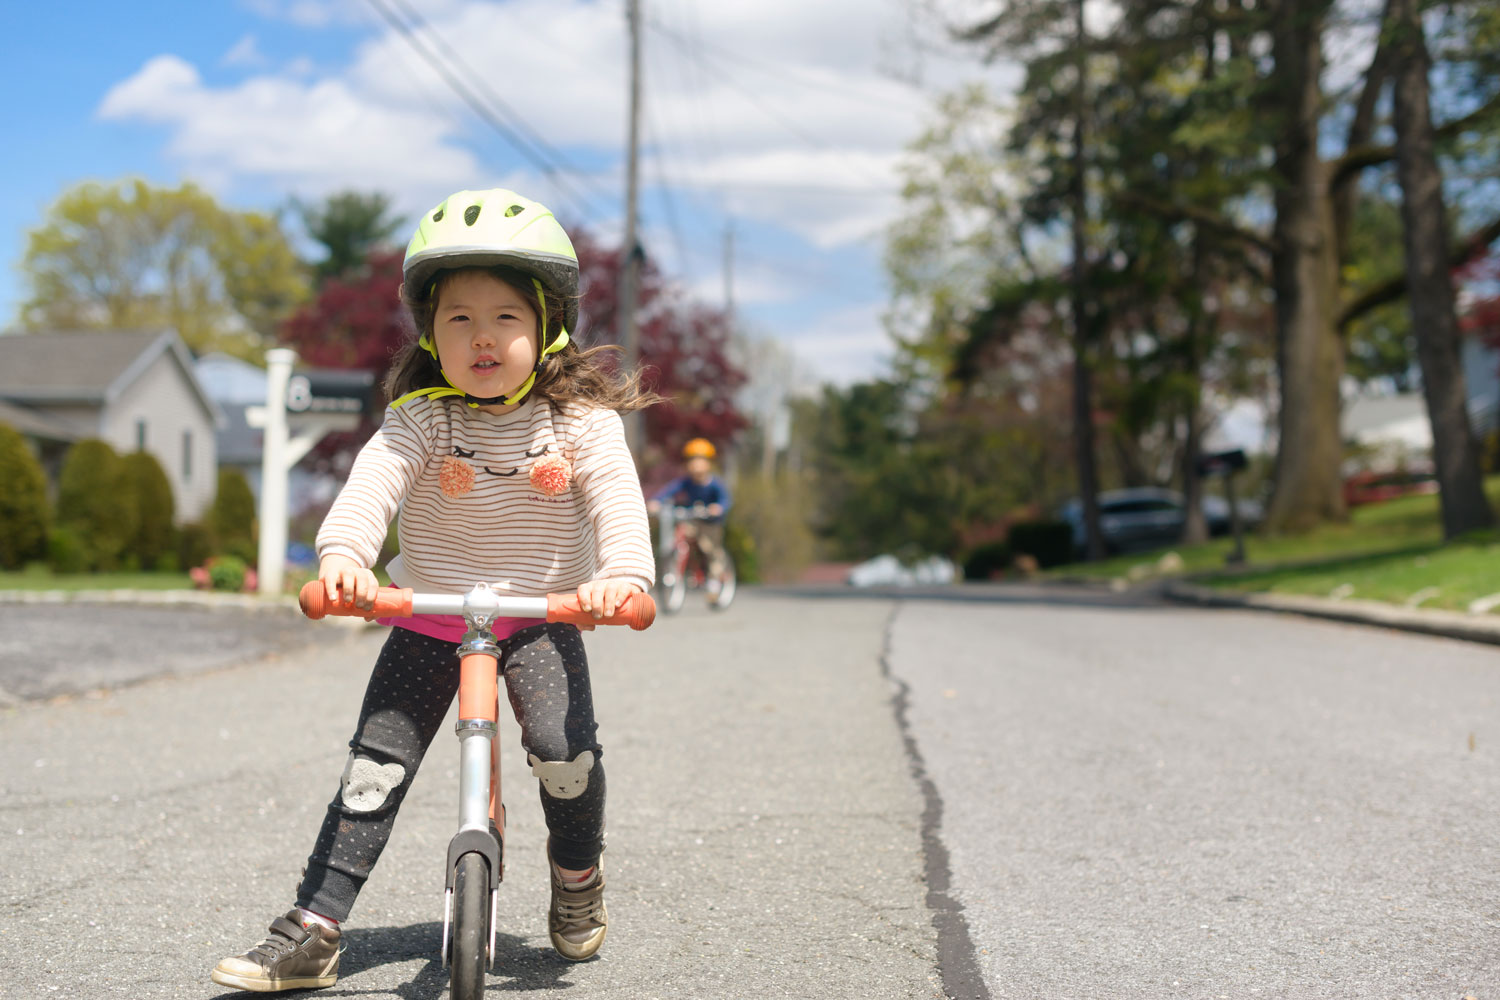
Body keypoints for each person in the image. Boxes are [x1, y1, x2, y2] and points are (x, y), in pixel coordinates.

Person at [211, 188, 658, 992]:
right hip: (428, 617)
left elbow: (619, 503)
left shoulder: (582, 424)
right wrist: (345, 556)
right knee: (372, 772)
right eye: (458, 319)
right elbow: (372, 486)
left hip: (537, 619)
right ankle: (315, 926)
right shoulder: (420, 419)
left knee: (565, 759)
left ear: (547, 326)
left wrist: (621, 578)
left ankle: (578, 876)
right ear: (430, 333)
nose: (481, 336)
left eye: (505, 318)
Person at [648, 438, 732, 600]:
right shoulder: (685, 482)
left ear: (708, 463)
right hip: (692, 520)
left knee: (710, 549)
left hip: (710, 524)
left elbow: (725, 500)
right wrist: (656, 501)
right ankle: (676, 561)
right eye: (691, 461)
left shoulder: (715, 484)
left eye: (699, 460)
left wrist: (718, 508)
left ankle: (714, 581)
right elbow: (669, 491)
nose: (695, 465)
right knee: (681, 533)